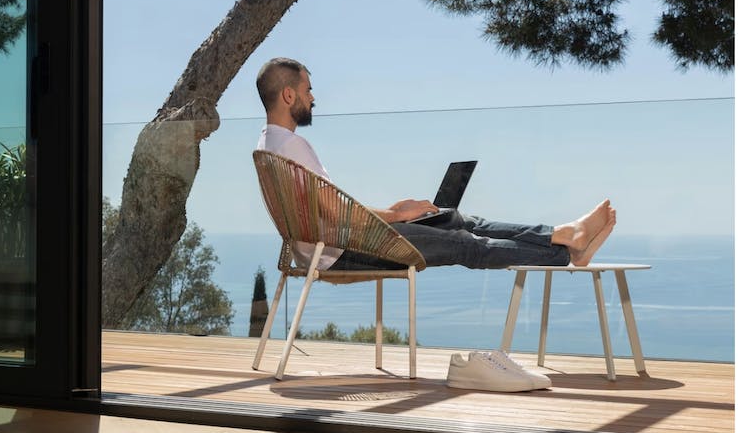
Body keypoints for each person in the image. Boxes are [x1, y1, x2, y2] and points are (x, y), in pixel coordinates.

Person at [254, 57, 616, 273]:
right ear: (289, 95)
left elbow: (325, 210)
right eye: (307, 90)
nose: (312, 97)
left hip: (332, 244)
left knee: (455, 218)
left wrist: (396, 210)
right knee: (464, 243)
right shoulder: (293, 147)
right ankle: (564, 251)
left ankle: (563, 235)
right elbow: (332, 211)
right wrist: (396, 216)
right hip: (341, 251)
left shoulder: (269, 145)